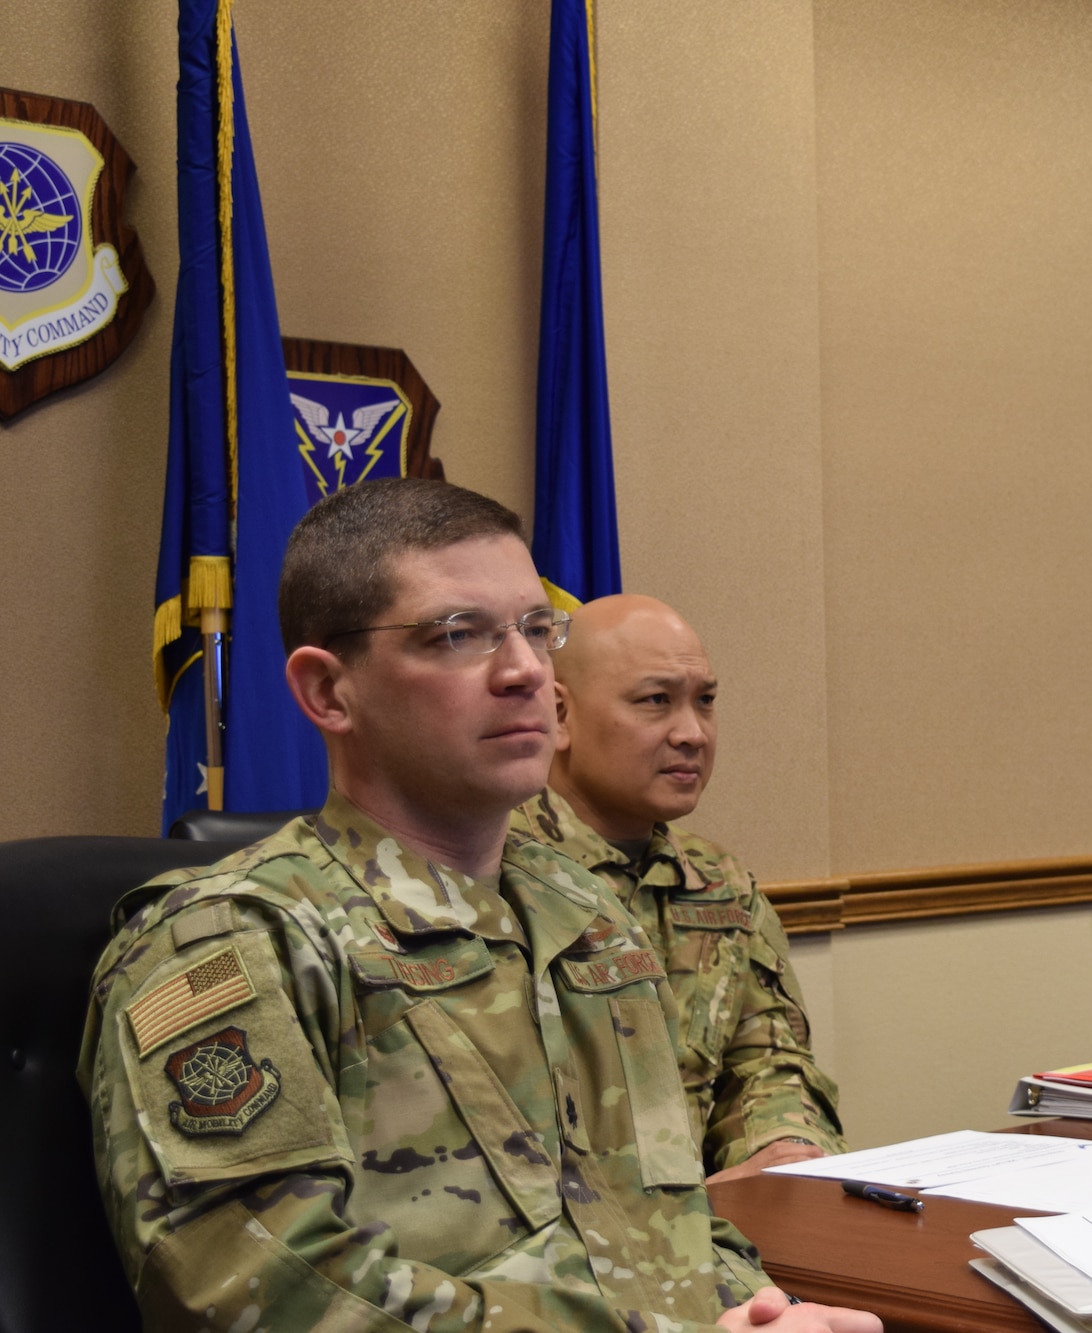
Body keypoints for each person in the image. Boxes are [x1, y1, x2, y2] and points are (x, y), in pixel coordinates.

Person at [80, 479, 878, 1333]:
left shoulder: (584, 914)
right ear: (327, 692)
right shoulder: (231, 943)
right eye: (458, 635)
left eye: (538, 630)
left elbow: (660, 1219)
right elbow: (268, 1295)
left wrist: (759, 1308)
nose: (527, 671)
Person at [511, 595, 844, 1184]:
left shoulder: (720, 884)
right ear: (559, 716)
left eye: (706, 702)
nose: (692, 733)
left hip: (721, 1236)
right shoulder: (497, 876)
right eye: (656, 701)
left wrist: (785, 1150)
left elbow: (767, 1061)